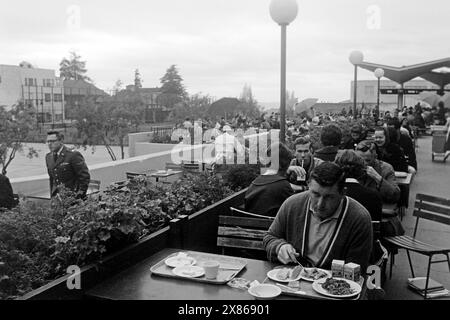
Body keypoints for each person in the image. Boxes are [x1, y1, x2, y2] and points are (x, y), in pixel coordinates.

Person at [263, 162, 373, 273]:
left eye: (329, 197)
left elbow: (356, 268)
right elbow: (270, 237)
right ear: (308, 186)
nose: (320, 204)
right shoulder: (292, 204)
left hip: (335, 285)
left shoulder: (359, 218)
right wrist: (279, 247)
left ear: (343, 193)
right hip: (293, 281)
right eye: (315, 194)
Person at [244, 142, 294, 217]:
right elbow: (294, 211)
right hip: (272, 227)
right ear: (286, 163)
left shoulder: (253, 185)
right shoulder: (283, 186)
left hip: (250, 226)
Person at [45, 131, 91, 199]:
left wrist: (79, 196)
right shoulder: (48, 157)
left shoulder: (72, 155)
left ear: (61, 141)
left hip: (72, 197)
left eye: (52, 141)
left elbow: (84, 177)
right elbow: (52, 179)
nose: (49, 144)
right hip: (57, 198)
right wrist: (52, 196)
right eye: (48, 141)